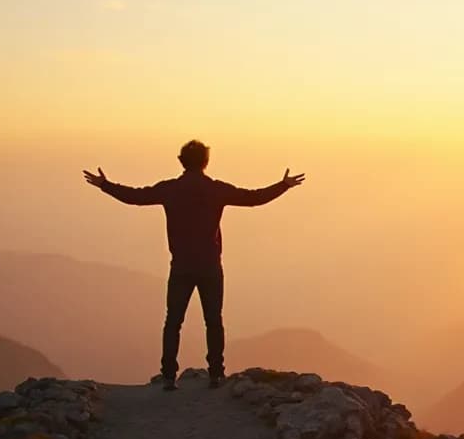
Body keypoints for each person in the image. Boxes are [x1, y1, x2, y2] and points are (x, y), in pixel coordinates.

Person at [84, 140, 305, 390]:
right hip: (210, 266)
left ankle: (168, 377)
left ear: (181, 161)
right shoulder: (216, 190)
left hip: (181, 267)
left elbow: (136, 197)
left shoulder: (170, 189)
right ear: (206, 162)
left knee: (173, 321)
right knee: (213, 320)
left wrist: (105, 185)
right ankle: (216, 374)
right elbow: (253, 198)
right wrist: (283, 186)